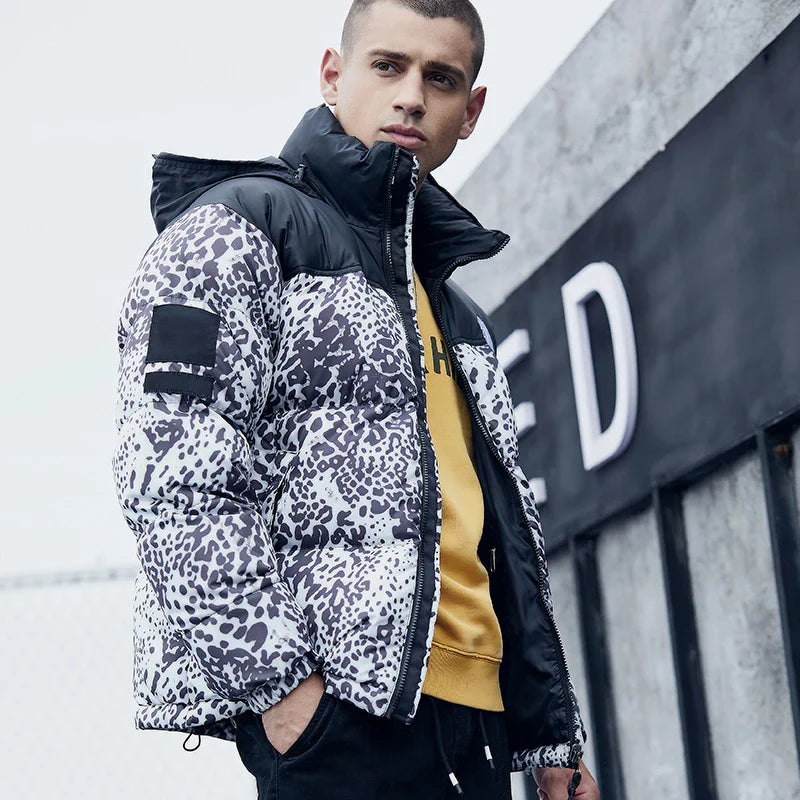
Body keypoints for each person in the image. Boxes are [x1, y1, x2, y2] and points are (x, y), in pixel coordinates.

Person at [112, 1, 600, 798]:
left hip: (478, 721)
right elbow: (173, 474)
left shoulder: (456, 310)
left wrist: (553, 741)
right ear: (333, 76)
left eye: (441, 78)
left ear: (471, 110)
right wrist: (283, 694)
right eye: (388, 66)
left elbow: (496, 535)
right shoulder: (232, 232)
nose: (411, 97)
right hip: (343, 720)